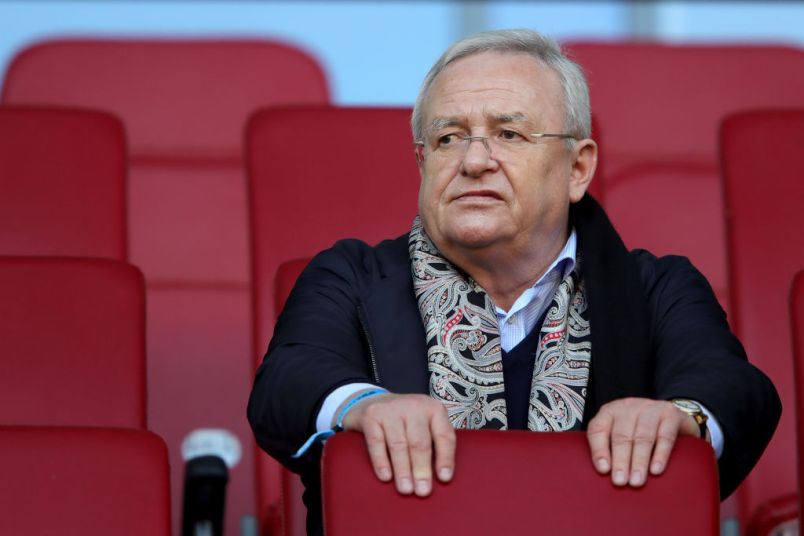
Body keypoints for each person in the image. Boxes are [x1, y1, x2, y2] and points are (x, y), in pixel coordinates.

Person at [248, 28, 780, 535]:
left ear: (578, 168)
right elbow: (286, 383)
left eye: (509, 133)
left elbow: (734, 390)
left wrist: (679, 418)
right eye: (448, 138)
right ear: (422, 162)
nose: (474, 161)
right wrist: (361, 406)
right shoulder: (351, 276)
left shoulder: (658, 287)